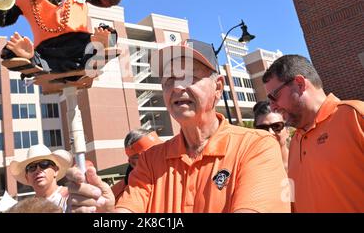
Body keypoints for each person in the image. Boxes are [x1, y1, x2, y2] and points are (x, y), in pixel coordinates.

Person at [66, 39, 290, 213]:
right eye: (169, 80)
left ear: (218, 87)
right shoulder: (149, 161)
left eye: (189, 77)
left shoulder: (257, 146)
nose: (177, 87)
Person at [262, 54, 364, 212]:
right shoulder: (295, 141)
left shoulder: (355, 116)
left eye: (274, 96)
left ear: (300, 84)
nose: (273, 107)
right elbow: (293, 202)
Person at [9, 144, 73, 212]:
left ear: (56, 170)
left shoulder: (71, 197)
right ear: (27, 177)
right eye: (31, 167)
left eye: (44, 164)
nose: (38, 170)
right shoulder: (27, 208)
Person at [111, 129, 163, 203]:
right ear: (132, 162)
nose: (159, 157)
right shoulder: (117, 196)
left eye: (160, 151)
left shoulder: (174, 178)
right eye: (150, 155)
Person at [252, 101, 290, 172]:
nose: (270, 133)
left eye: (276, 126)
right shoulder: (253, 170)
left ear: (287, 130)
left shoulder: (304, 161)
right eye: (263, 128)